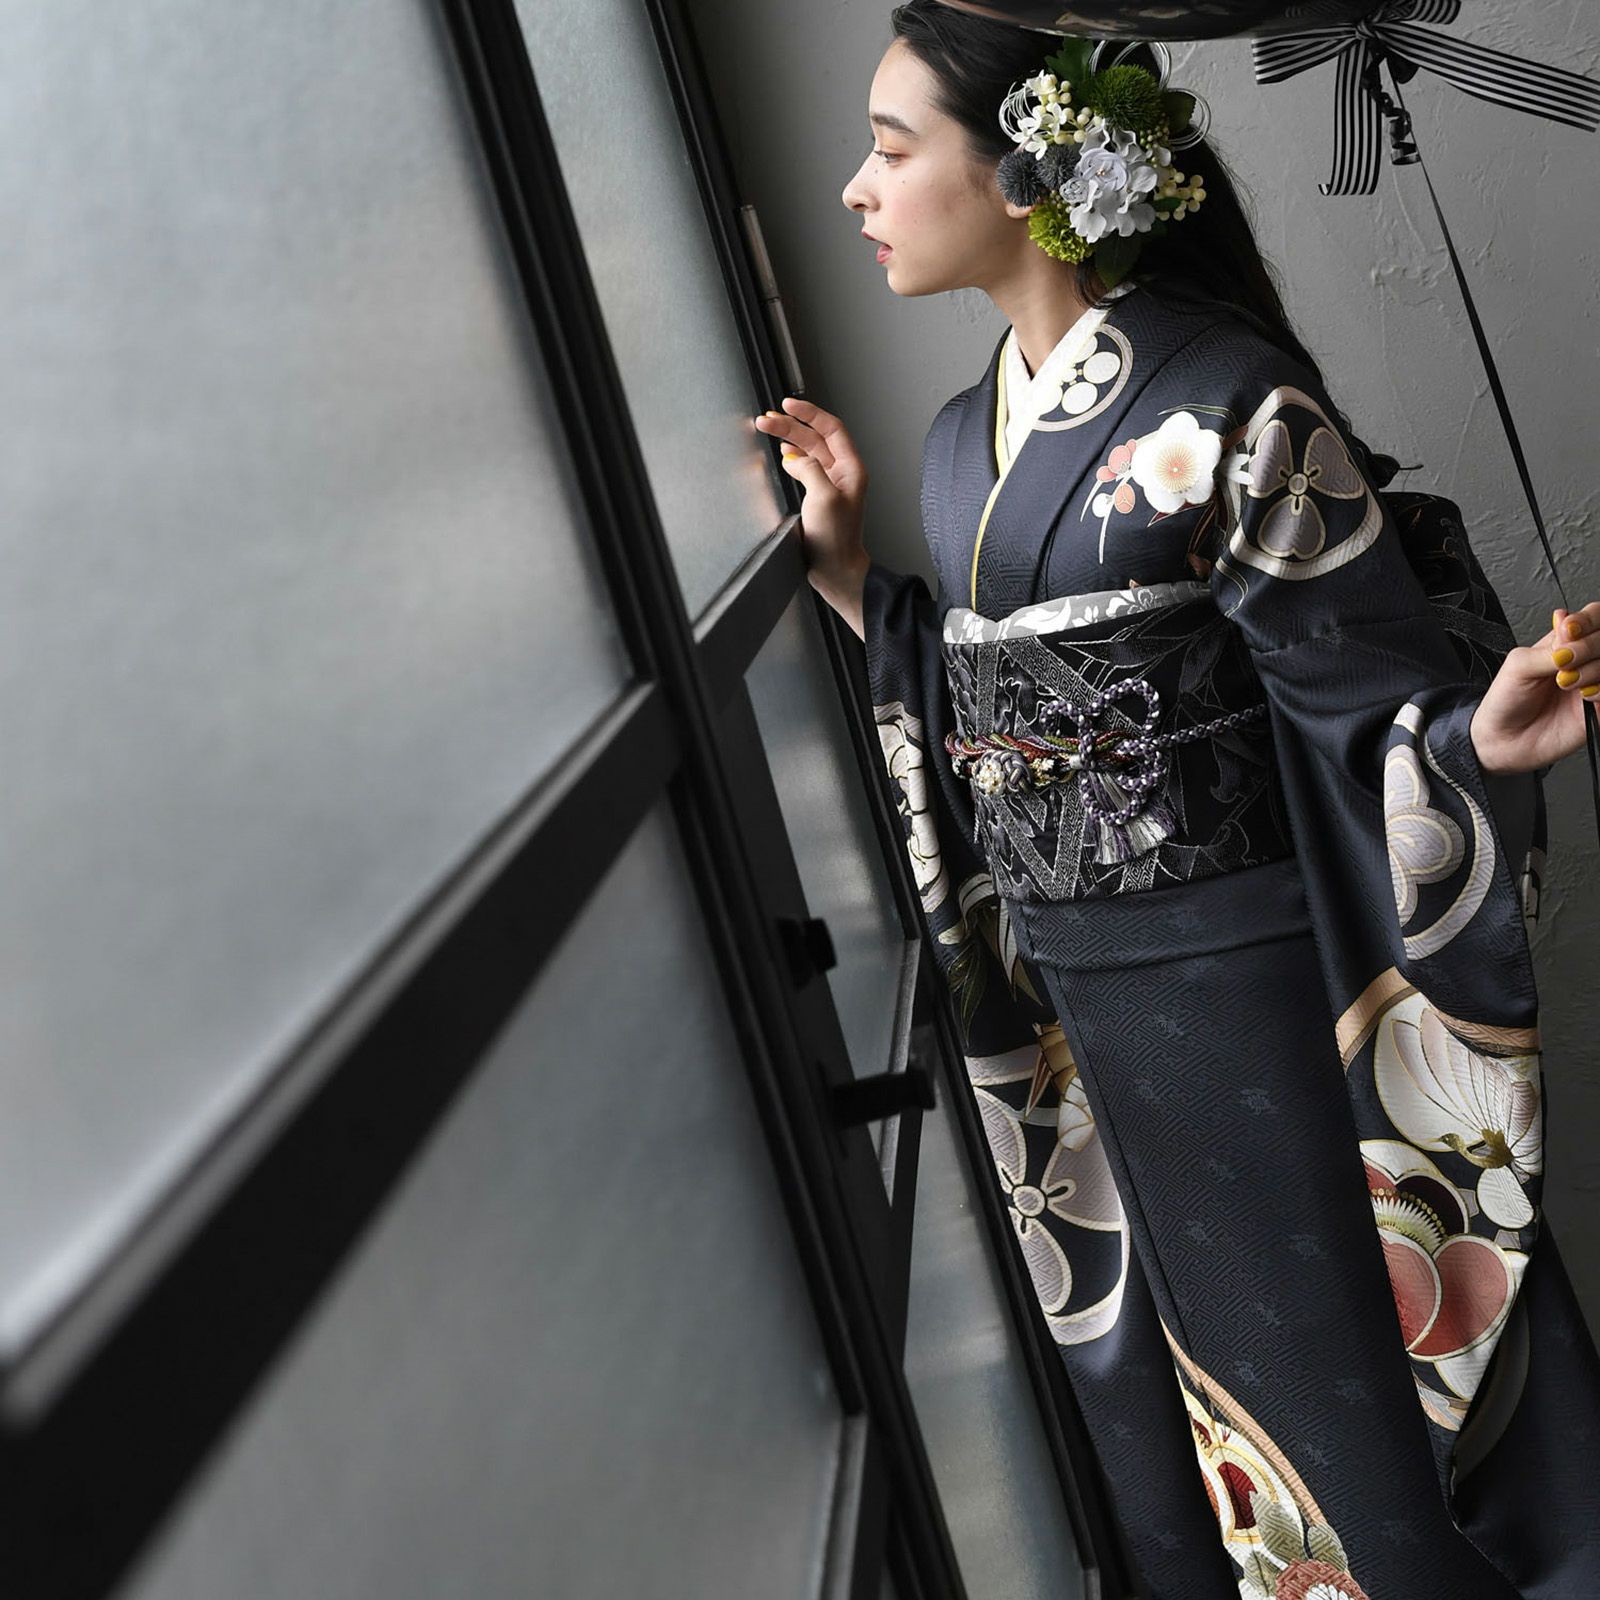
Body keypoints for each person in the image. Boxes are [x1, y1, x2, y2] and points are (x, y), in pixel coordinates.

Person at [752, 4, 1600, 1598]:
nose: (858, 190)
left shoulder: (1231, 405)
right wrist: (859, 582)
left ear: (1029, 174)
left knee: (1339, 1400)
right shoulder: (959, 447)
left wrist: (1476, 745)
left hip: (1256, 1005)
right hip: (1086, 1027)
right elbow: (989, 722)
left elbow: (1367, 708)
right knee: (1178, 1409)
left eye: (890, 150)